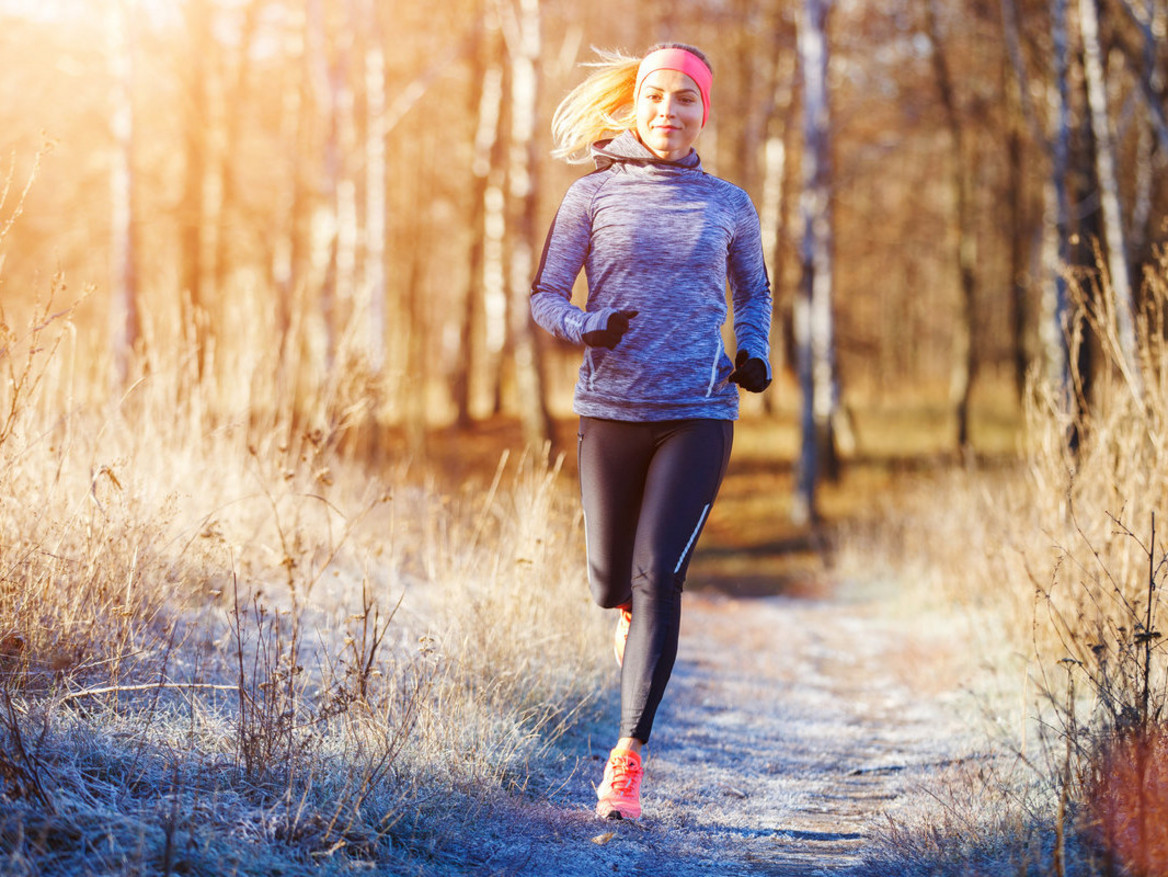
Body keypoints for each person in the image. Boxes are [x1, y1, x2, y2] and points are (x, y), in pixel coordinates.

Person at [529, 42, 773, 821]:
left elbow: (754, 290)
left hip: (698, 412)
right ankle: (632, 618)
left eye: (687, 100)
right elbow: (543, 295)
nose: (671, 111)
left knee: (656, 575)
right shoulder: (591, 198)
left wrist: (754, 351)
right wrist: (588, 325)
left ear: (705, 110)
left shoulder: (728, 203)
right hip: (611, 410)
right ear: (636, 106)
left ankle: (626, 760)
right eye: (657, 97)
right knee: (611, 582)